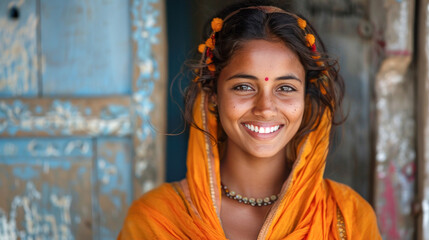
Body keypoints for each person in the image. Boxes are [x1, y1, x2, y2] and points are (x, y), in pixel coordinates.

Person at [118, 2, 381, 239]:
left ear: (306, 99)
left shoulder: (346, 218)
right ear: (213, 96)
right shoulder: (157, 220)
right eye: (244, 87)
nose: (265, 108)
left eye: (286, 88)